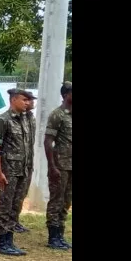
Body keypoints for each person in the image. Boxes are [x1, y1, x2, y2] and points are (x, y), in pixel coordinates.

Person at [0, 89, 36, 256]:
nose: (27, 103)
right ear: (14, 100)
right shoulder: (3, 120)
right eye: (24, 99)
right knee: (5, 206)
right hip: (8, 171)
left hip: (23, 170)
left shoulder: (26, 119)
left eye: (29, 100)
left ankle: (9, 239)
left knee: (16, 206)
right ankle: (2, 242)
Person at [43, 82, 72, 250]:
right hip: (60, 165)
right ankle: (53, 236)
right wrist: (52, 166)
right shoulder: (57, 115)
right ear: (66, 95)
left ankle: (60, 233)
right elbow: (48, 141)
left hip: (71, 166)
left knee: (67, 201)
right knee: (56, 200)